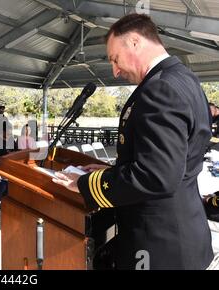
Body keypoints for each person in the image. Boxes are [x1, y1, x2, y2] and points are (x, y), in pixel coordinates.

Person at [52, 14, 213, 269]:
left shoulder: (160, 89)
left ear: (135, 42)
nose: (115, 71)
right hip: (182, 234)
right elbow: (170, 162)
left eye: (115, 59)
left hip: (158, 244)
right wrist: (113, 171)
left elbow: (156, 176)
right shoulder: (185, 79)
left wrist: (86, 183)